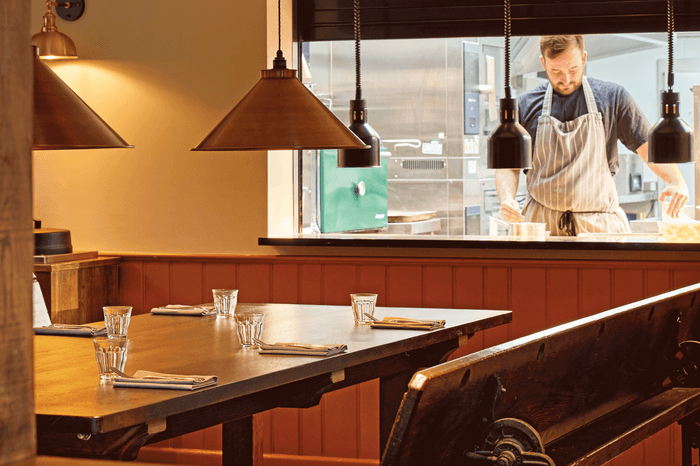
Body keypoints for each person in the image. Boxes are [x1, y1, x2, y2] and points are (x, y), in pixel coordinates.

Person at [496, 35, 689, 236]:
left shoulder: (612, 98)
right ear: (543, 62)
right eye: (556, 72)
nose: (566, 80)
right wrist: (507, 199)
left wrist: (676, 180)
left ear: (584, 58)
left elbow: (647, 147)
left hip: (600, 227)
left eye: (573, 70)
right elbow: (509, 165)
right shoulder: (525, 105)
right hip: (542, 226)